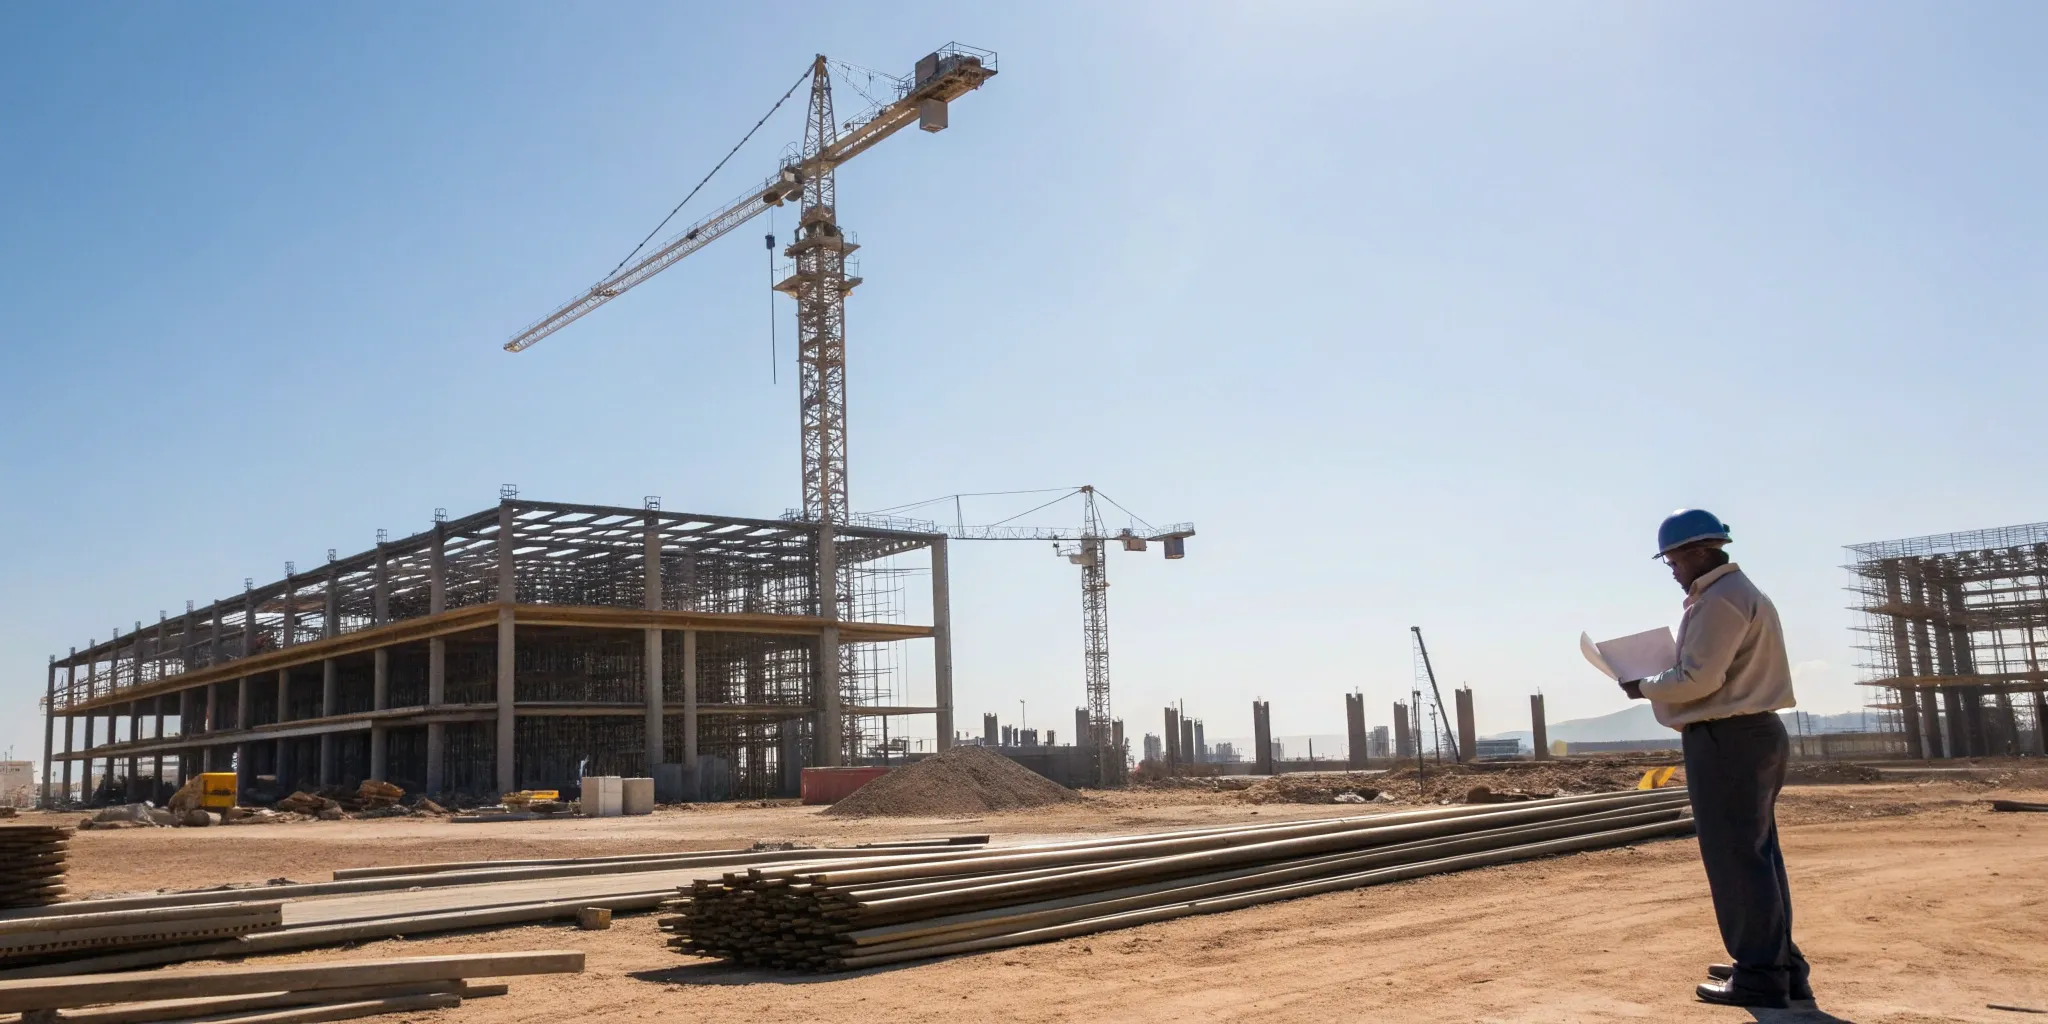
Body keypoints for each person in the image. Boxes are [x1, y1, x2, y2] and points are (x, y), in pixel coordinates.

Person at [1621, 509, 1810, 1009]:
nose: (1673, 570)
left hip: (1729, 737)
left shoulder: (1721, 601)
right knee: (1757, 855)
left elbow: (1699, 679)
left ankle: (1760, 976)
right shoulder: (1738, 594)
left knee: (1735, 858)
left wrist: (1641, 685)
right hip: (1750, 734)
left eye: (1674, 560)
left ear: (1701, 551)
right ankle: (1778, 965)